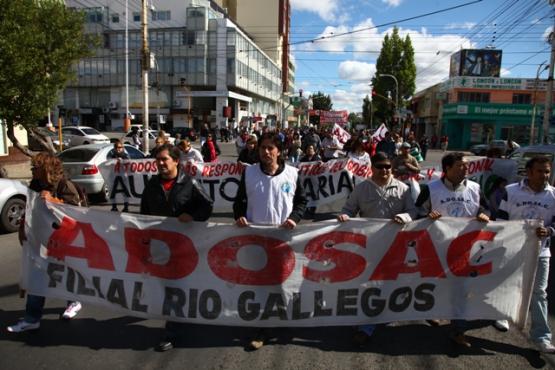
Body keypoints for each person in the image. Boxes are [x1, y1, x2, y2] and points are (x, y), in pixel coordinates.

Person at [233, 132, 307, 350]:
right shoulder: (249, 173)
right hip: (256, 240)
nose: (266, 152)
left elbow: (302, 201)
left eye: (270, 148)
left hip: (284, 240)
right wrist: (239, 216)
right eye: (263, 147)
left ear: (279, 151)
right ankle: (262, 328)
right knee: (261, 285)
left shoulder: (293, 174)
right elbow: (239, 202)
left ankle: (285, 320)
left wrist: (294, 218)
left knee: (285, 283)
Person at [338, 152, 417, 345]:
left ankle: (389, 314)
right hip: (369, 246)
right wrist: (345, 218)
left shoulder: (403, 189)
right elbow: (348, 210)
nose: (384, 170)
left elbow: (413, 211)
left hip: (395, 245)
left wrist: (405, 218)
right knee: (368, 285)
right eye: (380, 166)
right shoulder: (361, 188)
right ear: (371, 168)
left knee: (394, 283)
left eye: (388, 166)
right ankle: (366, 325)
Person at [140, 143, 213, 352]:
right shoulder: (152, 185)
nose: (161, 163)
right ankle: (179, 317)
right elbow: (143, 213)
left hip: (184, 248)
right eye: (158, 160)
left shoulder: (189, 183)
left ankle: (171, 332)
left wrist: (192, 216)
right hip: (160, 248)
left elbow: (207, 205)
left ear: (176, 161)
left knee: (175, 287)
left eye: (165, 159)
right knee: (165, 286)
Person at [415, 152, 490, 348]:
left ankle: (458, 330)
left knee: (461, 289)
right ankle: (431, 312)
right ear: (447, 169)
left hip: (464, 247)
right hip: (435, 245)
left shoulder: (475, 188)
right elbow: (417, 212)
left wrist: (484, 215)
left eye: (466, 166)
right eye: (460, 166)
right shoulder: (430, 189)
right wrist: (427, 215)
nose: (465, 169)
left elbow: (487, 209)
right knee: (434, 284)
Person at [7, 153, 84, 333]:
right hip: (41, 239)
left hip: (64, 239)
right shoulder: (35, 185)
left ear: (46, 169)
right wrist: (22, 229)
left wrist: (53, 201)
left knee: (65, 272)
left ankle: (73, 301)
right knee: (37, 277)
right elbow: (30, 209)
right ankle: (32, 318)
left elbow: (77, 213)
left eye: (36, 167)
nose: (32, 170)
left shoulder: (65, 185)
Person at [497, 156, 555, 353]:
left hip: (541, 252)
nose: (544, 176)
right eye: (540, 171)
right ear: (529, 172)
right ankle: (502, 315)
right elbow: (500, 219)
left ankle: (541, 336)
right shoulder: (510, 191)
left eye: (547, 171)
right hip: (512, 250)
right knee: (507, 284)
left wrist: (549, 231)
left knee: (539, 293)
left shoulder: (553, 195)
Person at [107, 140, 130, 212]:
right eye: (116, 147)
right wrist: (111, 161)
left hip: (123, 176)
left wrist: (123, 161)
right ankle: (114, 206)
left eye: (120, 147)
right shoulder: (111, 155)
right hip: (113, 176)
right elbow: (107, 163)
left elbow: (129, 164)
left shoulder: (125, 155)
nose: (118, 149)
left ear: (122, 148)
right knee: (112, 192)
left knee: (125, 192)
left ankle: (126, 207)